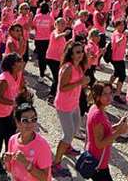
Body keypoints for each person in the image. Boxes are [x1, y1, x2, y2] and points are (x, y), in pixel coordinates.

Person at [52, 40, 89, 178]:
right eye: (77, 52)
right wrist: (80, 82)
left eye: (81, 51)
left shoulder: (78, 66)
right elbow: (62, 87)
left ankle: (67, 148)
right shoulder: (67, 67)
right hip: (64, 106)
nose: (81, 54)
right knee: (67, 135)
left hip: (74, 104)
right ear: (71, 54)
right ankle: (55, 163)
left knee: (76, 128)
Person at [0, 52, 25, 175]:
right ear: (13, 65)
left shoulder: (17, 74)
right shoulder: (4, 79)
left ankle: (8, 156)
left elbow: (20, 87)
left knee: (11, 133)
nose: (22, 63)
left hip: (7, 111)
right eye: (20, 61)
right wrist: (13, 103)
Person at [86, 81, 128, 181]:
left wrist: (116, 126)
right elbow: (100, 144)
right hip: (98, 161)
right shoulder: (98, 115)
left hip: (98, 158)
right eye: (105, 94)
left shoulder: (96, 108)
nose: (109, 97)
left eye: (110, 93)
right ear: (97, 96)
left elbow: (104, 130)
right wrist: (119, 132)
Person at [4, 103, 53, 181]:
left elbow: (45, 178)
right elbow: (10, 169)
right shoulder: (12, 140)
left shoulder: (42, 146)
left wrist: (27, 163)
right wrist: (6, 161)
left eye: (34, 119)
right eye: (25, 120)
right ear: (17, 122)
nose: (30, 124)